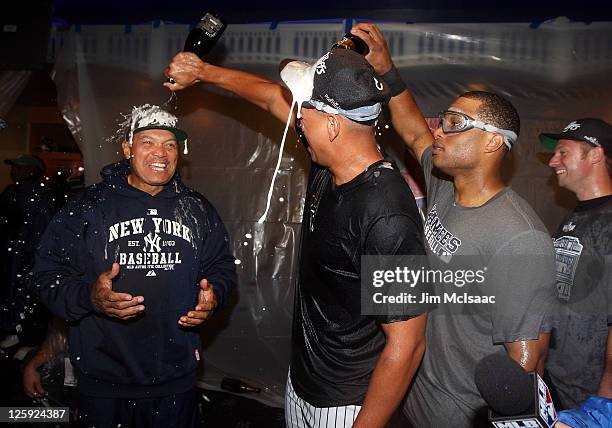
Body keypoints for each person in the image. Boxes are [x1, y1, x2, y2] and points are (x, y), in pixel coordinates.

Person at [166, 48, 430, 428]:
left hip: (347, 404)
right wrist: (204, 71)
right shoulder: (332, 159)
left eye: (303, 107)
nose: (295, 114)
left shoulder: (388, 216)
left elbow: (408, 343)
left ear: (333, 124)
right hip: (303, 383)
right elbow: (271, 97)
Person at [347, 23, 556, 427]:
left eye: (455, 123)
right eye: (444, 119)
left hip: (458, 417)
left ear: (494, 142)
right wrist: (387, 68)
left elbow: (528, 362)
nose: (439, 129)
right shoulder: (444, 186)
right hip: (410, 399)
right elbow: (410, 129)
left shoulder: (520, 239)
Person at [31, 104, 237, 428]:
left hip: (175, 382)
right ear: (127, 148)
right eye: (148, 142)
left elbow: (222, 267)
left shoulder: (197, 209)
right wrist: (90, 298)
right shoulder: (88, 206)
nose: (162, 153)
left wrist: (215, 296)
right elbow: (46, 275)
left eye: (170, 144)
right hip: (104, 383)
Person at [539, 119, 612, 410]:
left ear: (594, 154)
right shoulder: (575, 217)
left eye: (563, 153)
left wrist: (602, 407)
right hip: (559, 384)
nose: (553, 161)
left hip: (590, 397)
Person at [0, 154, 54, 348]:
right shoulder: (11, 191)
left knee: (22, 295)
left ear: (31, 170)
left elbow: (43, 231)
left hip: (25, 257)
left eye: (20, 167)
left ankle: (19, 334)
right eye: (14, 167)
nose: (14, 171)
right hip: (10, 255)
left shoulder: (39, 195)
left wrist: (31, 257)